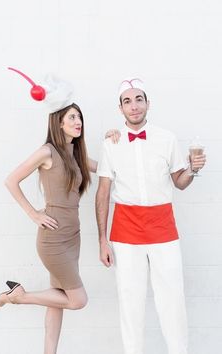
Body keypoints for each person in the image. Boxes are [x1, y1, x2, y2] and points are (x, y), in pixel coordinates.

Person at [0, 73, 117, 354]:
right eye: (72, 117)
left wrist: (112, 139)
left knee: (57, 299)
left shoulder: (75, 154)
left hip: (72, 238)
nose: (78, 123)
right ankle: (19, 297)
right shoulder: (47, 151)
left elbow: (109, 167)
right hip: (52, 239)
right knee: (78, 300)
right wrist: (33, 214)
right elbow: (11, 180)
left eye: (80, 118)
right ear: (58, 121)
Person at [95, 78, 206, 354]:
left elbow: (179, 182)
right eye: (127, 101)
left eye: (139, 99)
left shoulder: (166, 139)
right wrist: (102, 240)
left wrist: (192, 169)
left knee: (172, 298)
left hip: (162, 227)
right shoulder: (111, 143)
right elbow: (103, 192)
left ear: (148, 103)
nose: (134, 106)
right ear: (120, 109)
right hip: (125, 231)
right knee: (130, 300)